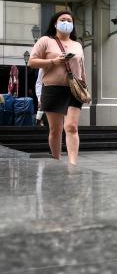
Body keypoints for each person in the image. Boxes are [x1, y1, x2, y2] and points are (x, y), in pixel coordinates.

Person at [28, 10, 87, 165]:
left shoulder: (77, 45)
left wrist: (84, 87)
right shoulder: (45, 41)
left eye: (69, 20)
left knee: (72, 127)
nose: (66, 22)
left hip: (74, 89)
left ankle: (73, 164)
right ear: (55, 23)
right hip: (52, 89)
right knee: (55, 129)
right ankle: (56, 161)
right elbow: (31, 62)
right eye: (63, 19)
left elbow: (81, 68)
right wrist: (53, 62)